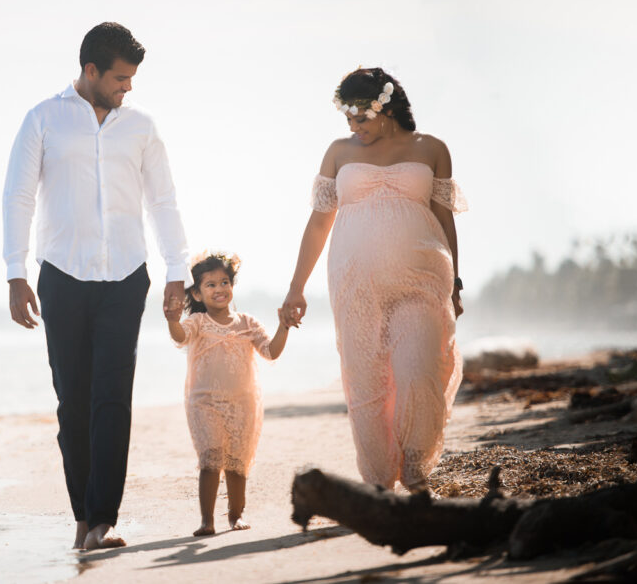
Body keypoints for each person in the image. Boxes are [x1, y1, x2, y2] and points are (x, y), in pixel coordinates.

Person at [2, 22, 189, 550]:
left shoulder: (142, 127)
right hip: (61, 275)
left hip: (126, 276)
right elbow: (18, 197)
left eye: (131, 79)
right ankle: (82, 516)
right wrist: (16, 273)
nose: (128, 88)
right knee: (72, 402)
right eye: (120, 78)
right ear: (91, 70)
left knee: (113, 396)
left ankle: (104, 519)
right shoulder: (44, 119)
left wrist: (178, 269)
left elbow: (163, 200)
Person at [281, 67, 467, 493]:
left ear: (387, 108)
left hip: (422, 280)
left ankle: (417, 473)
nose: (355, 128)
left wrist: (455, 281)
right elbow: (317, 224)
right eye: (349, 120)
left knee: (419, 373)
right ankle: (381, 482)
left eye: (361, 118)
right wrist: (297, 287)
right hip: (355, 285)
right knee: (365, 381)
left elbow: (444, 218)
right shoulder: (338, 152)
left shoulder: (433, 148)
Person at [166, 252, 290, 536]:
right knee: (210, 458)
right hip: (204, 403)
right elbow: (179, 337)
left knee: (237, 462)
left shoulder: (247, 323)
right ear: (197, 293)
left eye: (224, 282)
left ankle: (236, 515)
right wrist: (172, 319)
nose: (219, 289)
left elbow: (271, 352)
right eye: (210, 285)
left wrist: (283, 326)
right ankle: (206, 520)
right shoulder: (197, 322)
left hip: (242, 404)